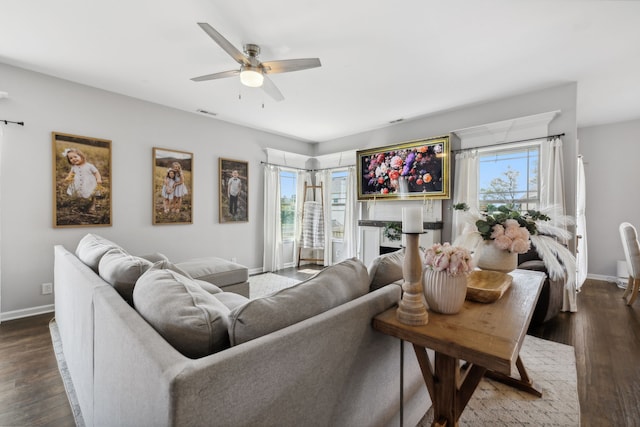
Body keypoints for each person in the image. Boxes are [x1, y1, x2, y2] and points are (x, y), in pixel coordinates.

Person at [63, 147, 102, 213]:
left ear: (81, 156)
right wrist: (68, 177)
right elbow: (71, 173)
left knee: (92, 194)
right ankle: (80, 205)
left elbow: (96, 172)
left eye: (75, 157)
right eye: (71, 158)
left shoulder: (89, 165)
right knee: (79, 194)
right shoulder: (74, 167)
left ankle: (92, 206)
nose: (73, 159)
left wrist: (99, 179)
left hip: (89, 183)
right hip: (78, 182)